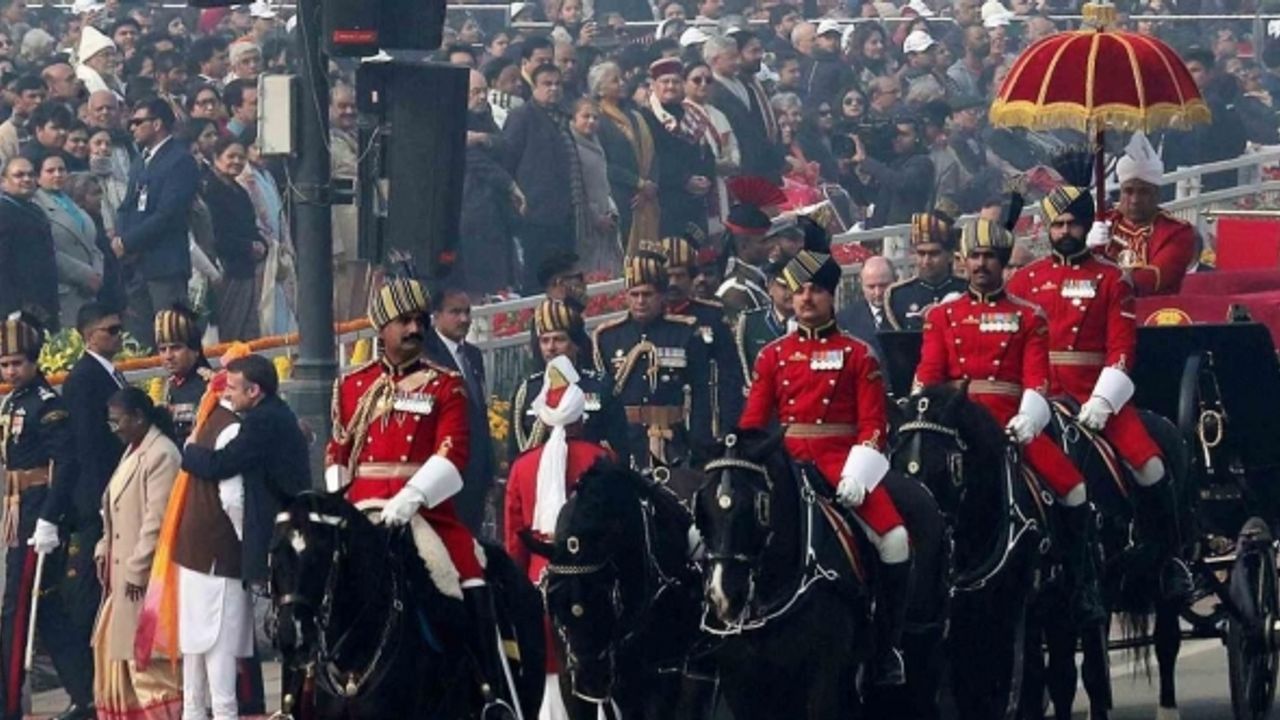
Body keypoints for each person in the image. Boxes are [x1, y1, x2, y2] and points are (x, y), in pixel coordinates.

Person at [324, 277, 511, 711]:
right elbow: (338, 450)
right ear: (381, 329)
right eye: (403, 321)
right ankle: (299, 697)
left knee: (467, 575)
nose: (414, 329)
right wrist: (338, 498)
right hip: (359, 508)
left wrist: (408, 501)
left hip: (422, 510)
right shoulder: (352, 384)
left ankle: (490, 691)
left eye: (419, 320)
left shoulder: (445, 385)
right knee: (316, 582)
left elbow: (453, 455)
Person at [737, 246, 911, 686]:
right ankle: (721, 634)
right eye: (798, 291)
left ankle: (885, 645)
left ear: (833, 296)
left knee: (894, 541)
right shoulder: (772, 356)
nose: (806, 299)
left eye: (815, 290)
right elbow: (753, 426)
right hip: (786, 466)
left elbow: (874, 424)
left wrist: (859, 473)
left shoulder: (859, 354)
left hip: (842, 464)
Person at [913, 218, 1100, 624]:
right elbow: (928, 377)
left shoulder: (1029, 316)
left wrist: (1028, 420)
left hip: (1009, 426)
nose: (981, 265)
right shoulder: (942, 316)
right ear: (962, 262)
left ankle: (1076, 582)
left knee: (1074, 489)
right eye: (975, 257)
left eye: (990, 258)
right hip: (954, 430)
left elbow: (1037, 380)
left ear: (1001, 264)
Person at [1009, 185, 1191, 601]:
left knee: (1150, 467)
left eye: (1072, 222)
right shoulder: (1025, 279)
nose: (1065, 230)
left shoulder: (1112, 279)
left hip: (1096, 395)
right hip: (1036, 396)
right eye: (1057, 224)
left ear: (1087, 224)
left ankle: (1168, 557)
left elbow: (1122, 350)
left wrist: (1103, 401)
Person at [504, 355, 614, 720]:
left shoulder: (522, 466)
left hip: (540, 580)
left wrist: (517, 588)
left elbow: (515, 540)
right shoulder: (602, 459)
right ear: (580, 416)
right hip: (593, 582)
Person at [0, 314, 96, 720]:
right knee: (50, 612)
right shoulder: (12, 401)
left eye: (18, 362)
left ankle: (7, 702)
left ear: (35, 361)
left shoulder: (47, 404)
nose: (10, 370)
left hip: (39, 509)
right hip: (17, 506)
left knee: (16, 609)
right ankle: (84, 693)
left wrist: (50, 519)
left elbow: (67, 463)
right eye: (4, 364)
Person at [171, 360, 258, 720]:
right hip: (218, 555)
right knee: (220, 660)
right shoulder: (232, 429)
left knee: (195, 664)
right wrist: (249, 544)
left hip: (193, 554)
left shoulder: (207, 424)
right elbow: (234, 498)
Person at [180, 353, 310, 587]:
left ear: (253, 391)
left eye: (231, 387)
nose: (226, 394)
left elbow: (221, 464)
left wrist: (189, 450)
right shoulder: (276, 411)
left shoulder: (262, 421)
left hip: (275, 536)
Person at [91, 387, 183, 720]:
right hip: (121, 576)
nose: (113, 428)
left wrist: (136, 571)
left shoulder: (162, 454)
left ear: (139, 417)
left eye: (118, 420)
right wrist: (104, 545)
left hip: (144, 578)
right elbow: (114, 509)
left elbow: (155, 523)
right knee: (122, 661)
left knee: (148, 664)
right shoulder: (133, 449)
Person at [593, 252, 712, 470]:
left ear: (662, 296)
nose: (640, 301)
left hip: (672, 442)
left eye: (647, 294)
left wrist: (699, 445)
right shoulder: (607, 337)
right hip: (625, 442)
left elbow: (701, 393)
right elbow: (601, 397)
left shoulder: (685, 332)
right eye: (634, 294)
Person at [113, 98, 199, 348]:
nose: (132, 127)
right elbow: (127, 204)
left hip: (165, 263)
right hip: (136, 264)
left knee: (171, 333)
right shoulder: (142, 159)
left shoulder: (179, 160)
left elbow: (168, 215)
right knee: (140, 337)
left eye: (138, 122)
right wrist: (120, 238)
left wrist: (128, 241)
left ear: (158, 123)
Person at [511, 299, 628, 457]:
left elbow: (619, 448)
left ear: (575, 344)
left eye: (559, 339)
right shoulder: (526, 392)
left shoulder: (601, 387)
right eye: (545, 341)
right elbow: (516, 454)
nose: (551, 348)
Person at [422, 287, 495, 533]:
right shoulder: (425, 355)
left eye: (467, 312)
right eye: (455, 312)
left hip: (475, 472)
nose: (464, 319)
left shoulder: (473, 355)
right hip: (446, 471)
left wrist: (489, 467)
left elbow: (479, 412)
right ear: (436, 315)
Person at [503, 62, 580, 293]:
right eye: (547, 84)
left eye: (557, 84)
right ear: (534, 87)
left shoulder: (565, 116)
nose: (554, 89)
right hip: (534, 214)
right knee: (536, 278)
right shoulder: (521, 117)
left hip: (565, 213)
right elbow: (508, 161)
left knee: (564, 277)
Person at [1092, 131, 1196, 296]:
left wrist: (1101, 283)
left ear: (1157, 195)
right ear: (1119, 193)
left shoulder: (1176, 232)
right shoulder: (1102, 222)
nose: (1135, 199)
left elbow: (1153, 280)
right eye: (1128, 191)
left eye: (1143, 192)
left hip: (1153, 313)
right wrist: (1085, 247)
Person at [662, 234, 743, 437]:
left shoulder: (712, 316)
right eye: (667, 276)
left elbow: (730, 374)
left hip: (704, 416)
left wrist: (728, 426)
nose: (673, 283)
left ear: (692, 277)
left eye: (679, 276)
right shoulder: (652, 320)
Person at [591, 60, 660, 256]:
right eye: (615, 81)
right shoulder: (597, 120)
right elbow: (604, 162)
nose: (622, 83)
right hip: (621, 195)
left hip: (648, 197)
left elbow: (653, 155)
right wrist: (637, 183)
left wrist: (650, 185)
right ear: (600, 90)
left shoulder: (636, 116)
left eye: (622, 79)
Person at [643, 57, 717, 237]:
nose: (670, 86)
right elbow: (655, 159)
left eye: (675, 81)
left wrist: (706, 178)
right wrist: (684, 180)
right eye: (664, 82)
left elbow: (706, 153)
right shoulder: (645, 117)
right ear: (653, 85)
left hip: (696, 201)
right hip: (666, 201)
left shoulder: (692, 115)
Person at [201, 135, 264, 341]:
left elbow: (252, 227)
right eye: (231, 156)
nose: (236, 161)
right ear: (217, 157)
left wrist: (261, 245)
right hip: (226, 270)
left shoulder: (240, 191)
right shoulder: (210, 190)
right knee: (230, 331)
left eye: (241, 157)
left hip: (246, 269)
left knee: (249, 332)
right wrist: (247, 246)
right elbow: (214, 234)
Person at [35, 151, 102, 329]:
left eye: (61, 170)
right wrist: (84, 274)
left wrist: (97, 274)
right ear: (38, 177)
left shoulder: (71, 203)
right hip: (65, 289)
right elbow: (47, 251)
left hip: (90, 290)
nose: (57, 175)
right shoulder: (36, 207)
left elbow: (93, 245)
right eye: (50, 171)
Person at [0, 155, 60, 329]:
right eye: (19, 175)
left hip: (43, 304)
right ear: (3, 181)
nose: (26, 179)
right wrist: (10, 307)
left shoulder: (35, 210)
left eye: (31, 174)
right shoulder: (3, 212)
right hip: (17, 308)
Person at [883, 211, 967, 330]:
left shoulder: (968, 290)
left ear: (950, 255)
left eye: (934, 254)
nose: (926, 261)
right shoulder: (897, 296)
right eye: (921, 253)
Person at [715, 189, 777, 323]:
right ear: (743, 246)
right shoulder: (735, 291)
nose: (771, 245)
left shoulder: (762, 280)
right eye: (763, 241)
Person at [154, 304, 210, 442]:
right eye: (162, 349)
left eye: (176, 348)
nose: (168, 356)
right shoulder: (168, 385)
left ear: (195, 350)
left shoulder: (209, 384)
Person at [734, 259, 793, 387]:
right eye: (785, 287)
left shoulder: (813, 323)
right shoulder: (750, 322)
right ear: (770, 287)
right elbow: (743, 368)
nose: (791, 293)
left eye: (797, 288)